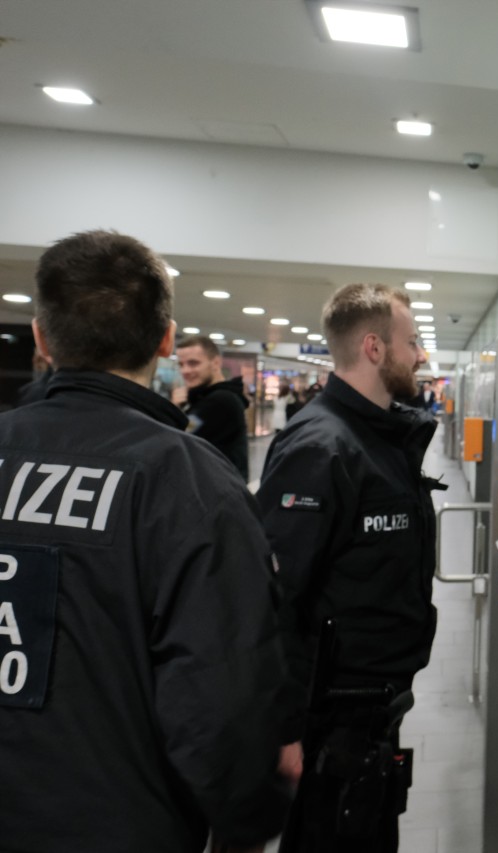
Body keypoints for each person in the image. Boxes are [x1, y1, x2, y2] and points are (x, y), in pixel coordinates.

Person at [0, 230, 296, 853]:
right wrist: (249, 816)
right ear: (165, 340)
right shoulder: (188, 484)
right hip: (120, 821)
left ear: (41, 338)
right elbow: (221, 690)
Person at [256, 283, 442, 853]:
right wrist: (283, 731)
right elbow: (275, 600)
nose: (421, 356)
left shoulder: (381, 440)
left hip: (371, 715)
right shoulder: (323, 447)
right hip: (326, 723)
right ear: (374, 348)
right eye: (411, 342)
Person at [174, 334, 250, 480]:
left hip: (217, 494)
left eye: (193, 363)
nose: (185, 371)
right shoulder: (206, 397)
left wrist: (174, 410)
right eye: (181, 365)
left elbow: (176, 439)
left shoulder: (220, 401)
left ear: (215, 363)